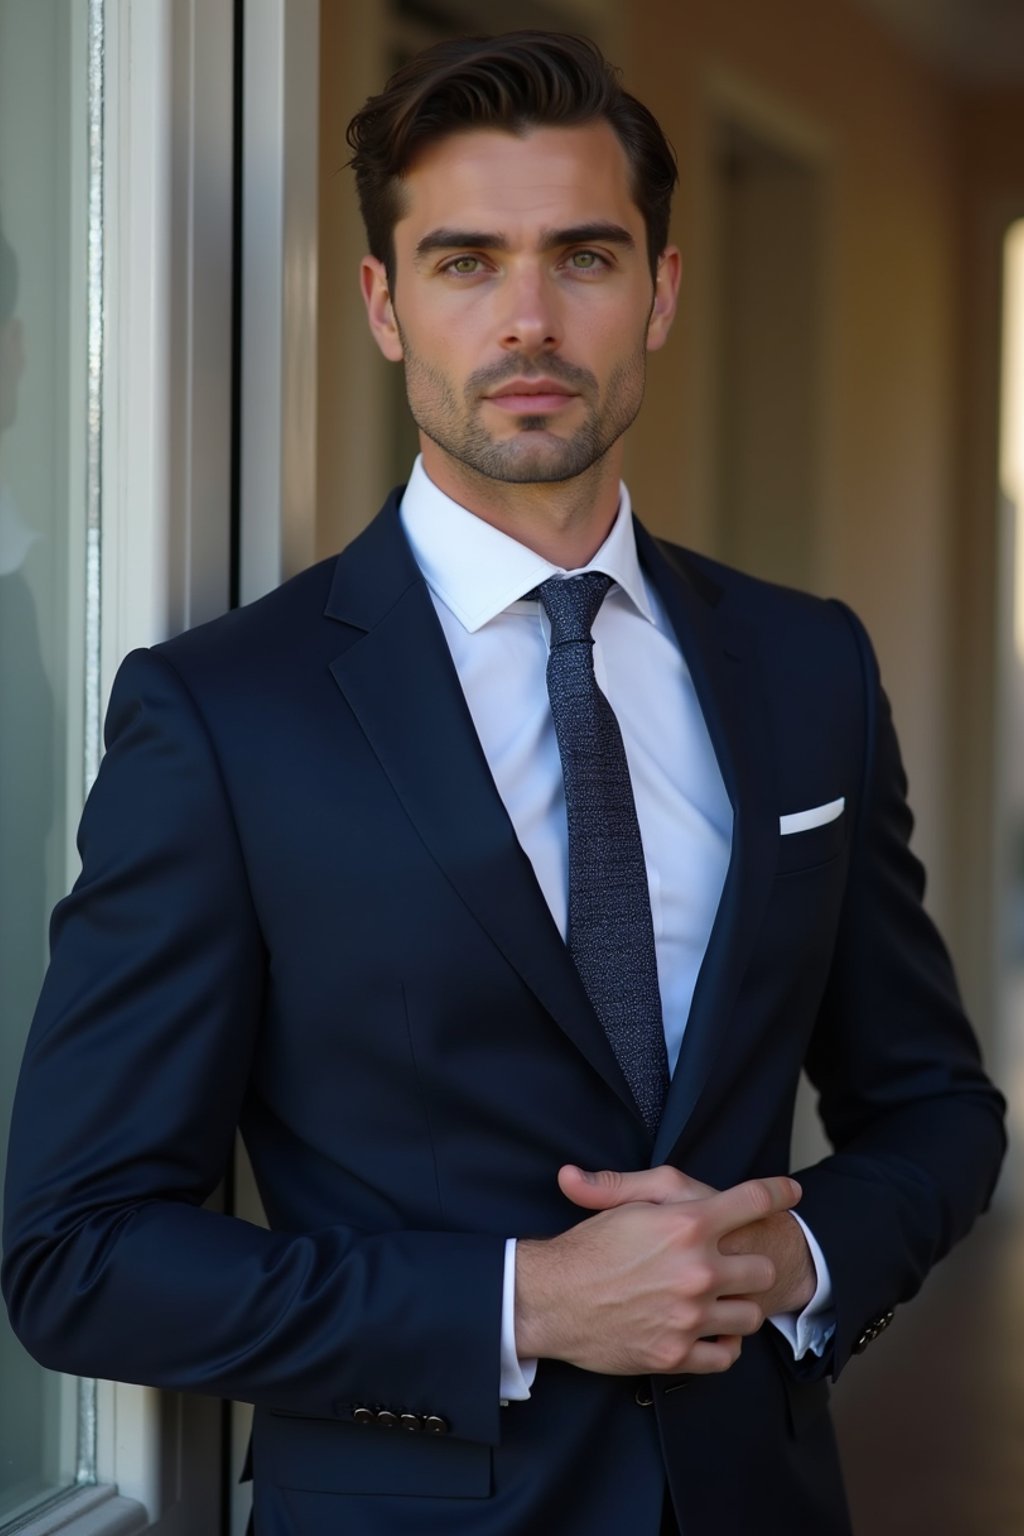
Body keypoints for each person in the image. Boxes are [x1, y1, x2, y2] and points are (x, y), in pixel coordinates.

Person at [1, 31, 1006, 1536]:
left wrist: (795, 1268)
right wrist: (522, 1301)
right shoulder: (224, 716)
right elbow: (76, 1257)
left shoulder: (811, 671)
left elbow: (932, 1106)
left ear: (661, 292)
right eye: (466, 262)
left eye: (584, 258)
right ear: (384, 303)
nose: (528, 319)